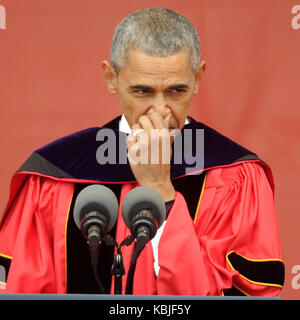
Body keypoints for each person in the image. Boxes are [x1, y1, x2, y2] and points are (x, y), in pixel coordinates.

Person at [0, 7, 284, 295]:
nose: (160, 111)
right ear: (112, 78)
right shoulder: (55, 175)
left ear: (198, 78)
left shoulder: (235, 176)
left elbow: (249, 291)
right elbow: (20, 288)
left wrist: (160, 188)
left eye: (176, 91)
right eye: (142, 91)